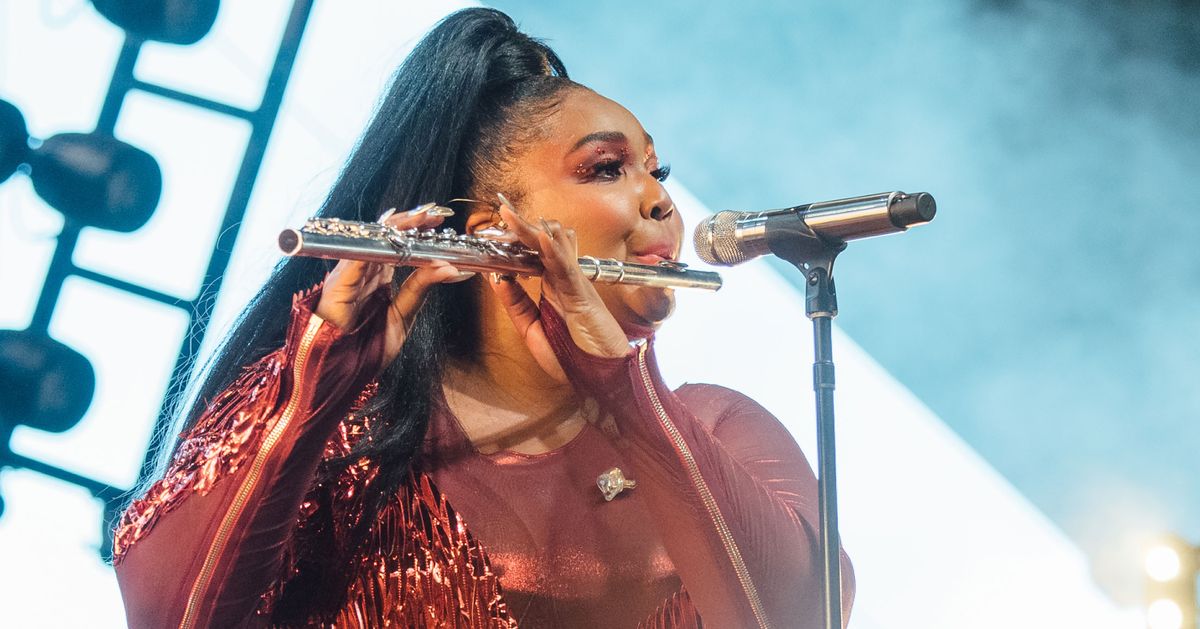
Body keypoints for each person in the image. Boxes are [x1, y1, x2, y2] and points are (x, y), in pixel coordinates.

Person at [111, 8, 854, 628]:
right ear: (491, 229)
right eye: (605, 168)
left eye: (655, 172)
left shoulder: (716, 427)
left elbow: (803, 617)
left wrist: (631, 397)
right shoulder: (345, 441)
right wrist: (310, 401)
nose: (661, 201)